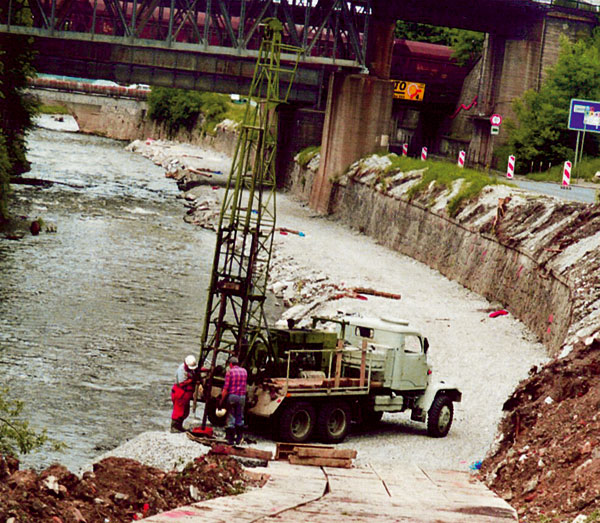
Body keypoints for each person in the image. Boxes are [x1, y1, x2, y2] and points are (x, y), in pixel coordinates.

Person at [220, 356, 247, 445]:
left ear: (231, 364)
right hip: (242, 397)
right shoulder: (244, 371)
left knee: (231, 416)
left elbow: (226, 388)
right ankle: (239, 438)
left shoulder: (230, 372)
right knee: (240, 416)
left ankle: (230, 439)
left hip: (232, 396)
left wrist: (221, 400)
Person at [170, 354, 198, 433]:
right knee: (178, 411)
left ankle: (180, 426)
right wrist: (192, 380)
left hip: (186, 394)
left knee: (185, 411)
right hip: (180, 393)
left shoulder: (190, 369)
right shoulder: (181, 370)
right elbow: (181, 383)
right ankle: (174, 427)